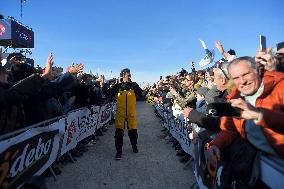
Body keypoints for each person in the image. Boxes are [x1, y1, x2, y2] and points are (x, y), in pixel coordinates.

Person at [206, 56, 284, 187]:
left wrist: (259, 115)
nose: (242, 81)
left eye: (246, 74)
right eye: (236, 78)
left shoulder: (280, 86)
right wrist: (215, 145)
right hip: (257, 169)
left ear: (258, 71)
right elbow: (229, 130)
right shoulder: (234, 98)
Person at [102, 68, 144, 160]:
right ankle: (119, 152)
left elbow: (143, 94)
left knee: (133, 133)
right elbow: (107, 94)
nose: (128, 75)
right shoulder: (118, 86)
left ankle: (134, 146)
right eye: (126, 74)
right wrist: (104, 84)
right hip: (120, 114)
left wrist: (152, 101)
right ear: (122, 75)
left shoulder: (134, 85)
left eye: (129, 74)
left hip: (131, 114)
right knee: (119, 134)